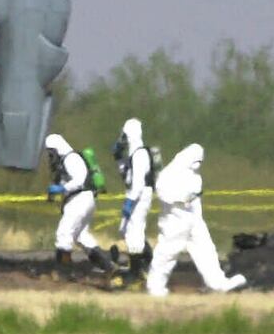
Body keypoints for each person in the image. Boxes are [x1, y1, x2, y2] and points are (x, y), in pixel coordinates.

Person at [145, 143, 246, 297]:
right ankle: (155, 287)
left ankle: (218, 283)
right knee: (167, 253)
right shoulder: (170, 173)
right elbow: (162, 191)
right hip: (175, 221)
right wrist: (180, 198)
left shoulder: (195, 176)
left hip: (194, 220)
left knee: (206, 251)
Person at [44, 133, 113, 274]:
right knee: (81, 236)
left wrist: (62, 188)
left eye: (51, 152)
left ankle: (64, 272)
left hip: (80, 199)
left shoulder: (71, 158)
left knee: (63, 234)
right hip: (82, 200)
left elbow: (79, 180)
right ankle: (107, 266)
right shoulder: (64, 162)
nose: (50, 156)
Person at [112, 117, 155, 279]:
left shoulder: (139, 154)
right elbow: (127, 176)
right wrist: (118, 158)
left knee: (134, 233)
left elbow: (137, 184)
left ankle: (135, 273)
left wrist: (129, 203)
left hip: (139, 195)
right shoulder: (135, 155)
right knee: (128, 232)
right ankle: (146, 263)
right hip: (136, 194)